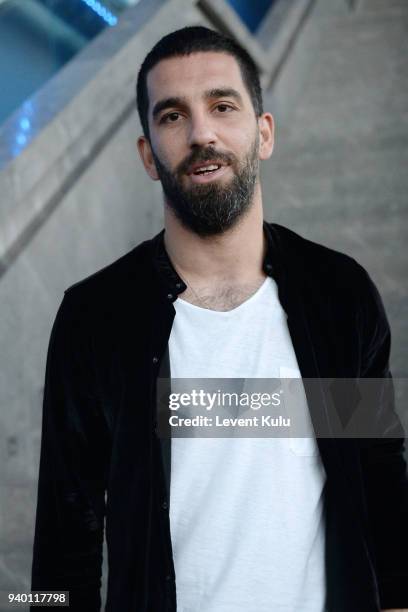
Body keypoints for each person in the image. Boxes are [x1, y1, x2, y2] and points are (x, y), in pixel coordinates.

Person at [31, 26, 408, 612]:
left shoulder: (336, 296)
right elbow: (64, 536)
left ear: (264, 133)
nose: (201, 133)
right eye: (173, 116)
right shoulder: (97, 319)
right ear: (148, 156)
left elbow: (378, 473)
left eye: (222, 106)